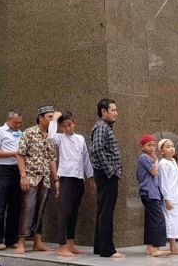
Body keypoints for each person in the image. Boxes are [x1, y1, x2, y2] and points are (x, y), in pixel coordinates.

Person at [48, 111, 95, 257]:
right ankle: (62, 246)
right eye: (64, 126)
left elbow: (86, 158)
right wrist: (55, 118)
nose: (68, 128)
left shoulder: (80, 139)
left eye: (70, 125)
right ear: (61, 127)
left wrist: (91, 178)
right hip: (66, 178)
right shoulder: (60, 138)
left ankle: (70, 244)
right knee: (65, 212)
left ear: (75, 123)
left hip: (78, 178)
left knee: (74, 212)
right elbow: (50, 134)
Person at [15, 105, 59, 254]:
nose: (52, 120)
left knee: (40, 209)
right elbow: (20, 154)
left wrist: (56, 180)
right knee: (28, 208)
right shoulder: (29, 132)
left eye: (53, 117)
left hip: (45, 178)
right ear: (41, 118)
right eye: (49, 117)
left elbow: (52, 159)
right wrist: (23, 176)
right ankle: (21, 242)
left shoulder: (52, 136)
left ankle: (37, 242)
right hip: (31, 177)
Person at [90, 98, 124, 258]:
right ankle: (107, 250)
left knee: (103, 211)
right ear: (104, 112)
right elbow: (96, 150)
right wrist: (110, 170)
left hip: (106, 174)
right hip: (106, 175)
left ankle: (100, 247)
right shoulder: (101, 127)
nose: (116, 113)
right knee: (106, 212)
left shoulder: (105, 127)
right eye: (113, 110)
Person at [0, 110, 24, 251]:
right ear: (8, 119)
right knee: (0, 206)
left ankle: (11, 239)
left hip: (17, 171)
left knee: (15, 207)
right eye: (16, 122)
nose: (18, 125)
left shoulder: (21, 134)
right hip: (2, 171)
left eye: (20, 122)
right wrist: (13, 154)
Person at [136, 134, 168, 257]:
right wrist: (156, 161)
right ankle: (156, 247)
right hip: (149, 193)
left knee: (151, 220)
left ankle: (150, 248)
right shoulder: (144, 157)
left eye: (154, 145)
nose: (152, 148)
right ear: (142, 147)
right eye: (149, 145)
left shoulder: (147, 157)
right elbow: (154, 172)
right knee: (158, 219)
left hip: (152, 193)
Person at [157, 138, 178, 255]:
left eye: (172, 146)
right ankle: (173, 247)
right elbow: (163, 183)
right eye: (168, 147)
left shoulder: (173, 162)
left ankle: (174, 246)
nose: (171, 149)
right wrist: (167, 198)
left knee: (176, 221)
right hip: (170, 198)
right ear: (162, 151)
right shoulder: (163, 164)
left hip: (177, 196)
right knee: (171, 221)